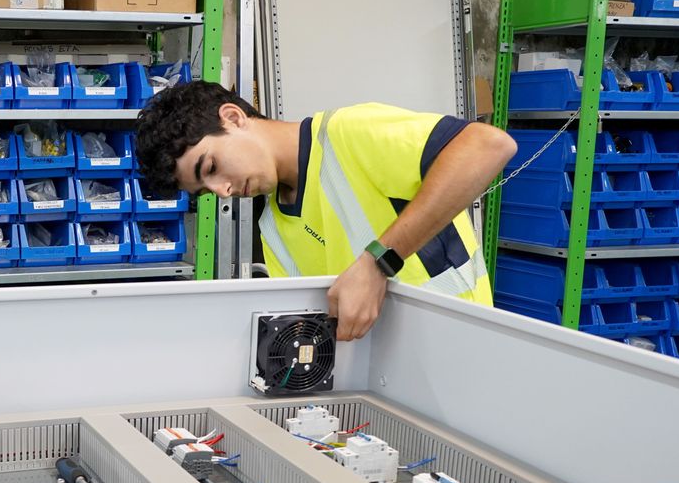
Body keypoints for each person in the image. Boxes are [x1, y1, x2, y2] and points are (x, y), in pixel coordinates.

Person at [134, 81, 516, 341]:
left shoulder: (345, 134)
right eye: (206, 191)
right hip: (382, 390)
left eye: (212, 169)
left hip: (462, 348)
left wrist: (377, 263)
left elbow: (488, 146)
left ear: (233, 118)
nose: (224, 191)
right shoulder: (274, 224)